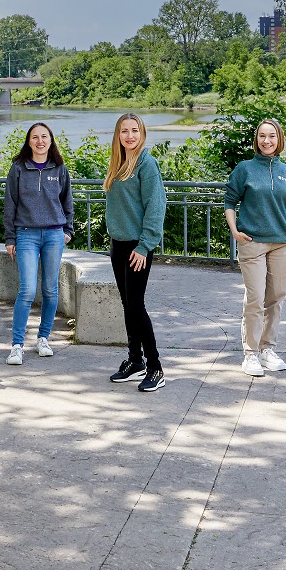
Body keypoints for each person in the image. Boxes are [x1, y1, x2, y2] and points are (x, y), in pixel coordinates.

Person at [223, 118, 286, 377]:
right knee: (256, 298)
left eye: (271, 136)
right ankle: (250, 354)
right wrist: (235, 231)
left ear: (279, 139)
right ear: (256, 140)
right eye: (262, 136)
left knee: (276, 297)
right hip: (252, 243)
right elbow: (229, 201)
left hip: (281, 244)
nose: (266, 141)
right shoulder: (245, 169)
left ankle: (268, 349)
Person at [104, 113, 167, 392]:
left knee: (137, 306)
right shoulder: (118, 164)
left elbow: (156, 207)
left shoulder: (147, 163)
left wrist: (144, 246)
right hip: (119, 245)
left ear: (142, 134)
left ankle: (155, 367)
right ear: (118, 135)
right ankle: (135, 360)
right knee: (128, 306)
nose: (130, 136)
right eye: (124, 131)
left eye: (134, 131)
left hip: (137, 247)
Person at [2, 123, 74, 366]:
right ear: (29, 141)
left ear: (51, 140)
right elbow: (10, 204)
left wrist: (67, 230)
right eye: (35, 137)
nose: (40, 141)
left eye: (44, 137)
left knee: (51, 290)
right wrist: (10, 238)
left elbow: (67, 202)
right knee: (27, 290)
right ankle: (17, 345)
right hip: (26, 235)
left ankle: (43, 339)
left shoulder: (60, 168)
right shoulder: (19, 169)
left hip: (54, 235)